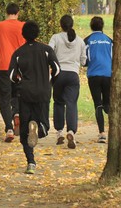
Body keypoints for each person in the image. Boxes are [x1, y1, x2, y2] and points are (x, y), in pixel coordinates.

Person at [9, 20, 60, 174]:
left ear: (23, 35)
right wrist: (49, 82)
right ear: (37, 33)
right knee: (45, 125)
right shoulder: (46, 50)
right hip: (43, 92)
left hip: (25, 93)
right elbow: (57, 70)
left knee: (24, 130)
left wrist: (20, 82)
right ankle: (38, 129)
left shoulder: (18, 53)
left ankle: (31, 162)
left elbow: (11, 76)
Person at [48, 15, 87, 149]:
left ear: (61, 25)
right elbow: (83, 61)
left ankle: (59, 132)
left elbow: (48, 52)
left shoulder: (56, 37)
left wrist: (52, 64)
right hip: (73, 75)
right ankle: (71, 131)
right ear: (72, 24)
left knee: (58, 102)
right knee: (71, 103)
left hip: (58, 74)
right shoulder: (80, 41)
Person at [0, 3, 26, 142]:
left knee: (4, 98)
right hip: (19, 66)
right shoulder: (23, 26)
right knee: (17, 93)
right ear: (18, 13)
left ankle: (9, 128)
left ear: (6, 12)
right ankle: (16, 113)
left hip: (3, 66)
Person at [84, 16, 113, 143]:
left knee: (98, 104)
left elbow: (84, 60)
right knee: (108, 103)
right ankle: (114, 129)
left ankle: (101, 133)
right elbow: (113, 57)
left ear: (91, 26)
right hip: (107, 75)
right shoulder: (109, 40)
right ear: (102, 26)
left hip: (94, 75)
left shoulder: (87, 41)